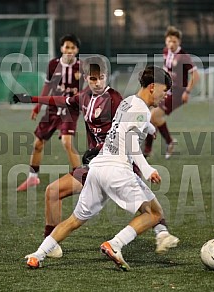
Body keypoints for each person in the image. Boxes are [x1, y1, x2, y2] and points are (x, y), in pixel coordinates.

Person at [14, 57, 175, 258]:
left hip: (100, 164)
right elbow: (130, 134)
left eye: (101, 78)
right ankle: (120, 242)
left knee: (77, 218)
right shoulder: (87, 98)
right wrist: (32, 99)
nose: (97, 82)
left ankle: (39, 253)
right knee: (152, 211)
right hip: (114, 165)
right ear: (86, 79)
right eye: (93, 78)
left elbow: (128, 123)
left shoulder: (121, 100)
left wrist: (147, 128)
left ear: (107, 77)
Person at [16, 34, 83, 192]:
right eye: (66, 47)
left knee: (66, 142)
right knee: (38, 143)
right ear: (61, 48)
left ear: (77, 50)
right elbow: (47, 87)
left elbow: (87, 90)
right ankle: (32, 178)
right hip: (52, 109)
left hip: (70, 110)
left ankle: (82, 179)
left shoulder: (82, 67)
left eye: (72, 47)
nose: (69, 50)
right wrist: (38, 106)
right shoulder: (53, 64)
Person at [144, 26, 200, 159]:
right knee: (151, 117)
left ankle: (166, 143)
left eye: (174, 41)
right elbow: (166, 72)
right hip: (167, 90)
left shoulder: (183, 57)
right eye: (169, 41)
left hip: (178, 93)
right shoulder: (166, 52)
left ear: (179, 42)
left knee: (154, 116)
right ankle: (147, 150)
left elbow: (196, 76)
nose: (171, 44)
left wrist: (187, 92)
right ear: (165, 41)